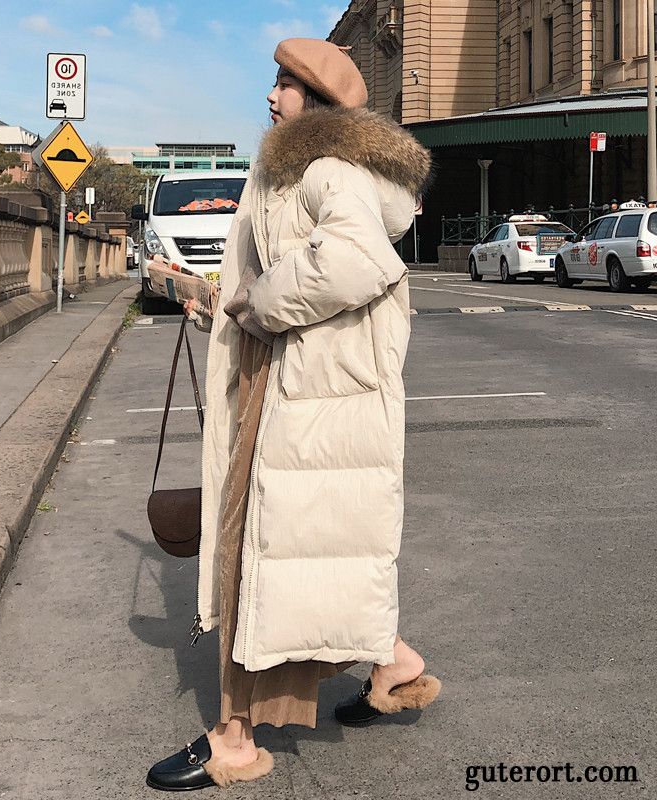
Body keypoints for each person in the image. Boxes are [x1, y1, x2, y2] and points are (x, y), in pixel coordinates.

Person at [147, 38, 440, 792]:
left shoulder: (327, 170)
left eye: (283, 86)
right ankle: (394, 664)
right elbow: (278, 277)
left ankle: (234, 739)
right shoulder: (294, 172)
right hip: (297, 396)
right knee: (309, 554)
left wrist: (256, 306)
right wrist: (212, 297)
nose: (271, 98)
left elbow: (353, 262)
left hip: (309, 401)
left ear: (315, 101)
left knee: (255, 552)